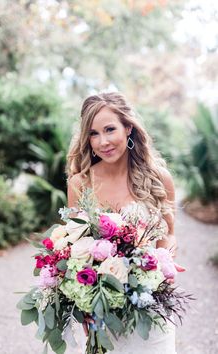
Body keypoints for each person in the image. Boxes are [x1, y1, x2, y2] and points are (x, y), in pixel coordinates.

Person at [66, 92, 177, 354]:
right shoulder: (80, 183)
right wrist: (85, 305)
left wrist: (165, 260)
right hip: (101, 310)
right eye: (93, 133)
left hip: (150, 303)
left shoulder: (159, 179)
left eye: (109, 129)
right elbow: (74, 248)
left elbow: (170, 235)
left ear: (128, 128)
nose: (103, 141)